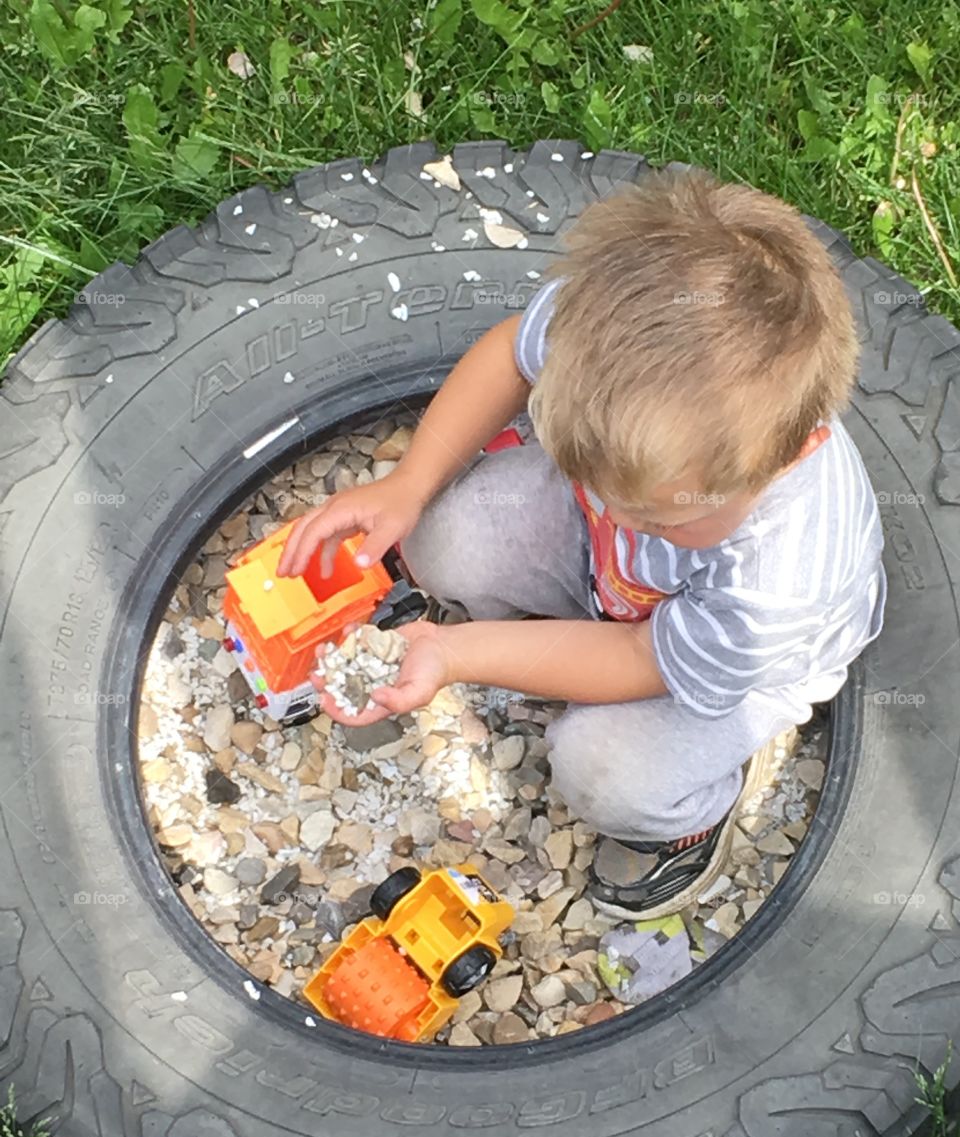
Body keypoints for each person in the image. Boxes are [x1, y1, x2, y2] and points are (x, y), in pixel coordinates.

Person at [278, 168, 886, 919]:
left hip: (722, 658)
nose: (622, 519)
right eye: (597, 483)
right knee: (441, 539)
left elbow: (641, 659)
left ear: (792, 456)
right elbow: (509, 354)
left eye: (661, 517)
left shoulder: (781, 578)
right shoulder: (606, 327)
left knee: (603, 771)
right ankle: (562, 626)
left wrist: (454, 655)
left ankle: (689, 820)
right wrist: (408, 484)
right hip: (625, 592)